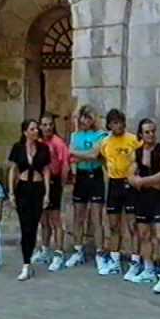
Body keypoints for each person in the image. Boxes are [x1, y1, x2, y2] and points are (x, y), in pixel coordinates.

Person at [128, 118, 160, 294]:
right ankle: (148, 269)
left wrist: (143, 181)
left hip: (159, 199)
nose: (151, 134)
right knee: (144, 234)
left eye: (153, 131)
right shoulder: (136, 152)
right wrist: (149, 182)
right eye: (147, 132)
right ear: (140, 134)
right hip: (142, 199)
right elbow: (130, 178)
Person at [99, 109, 143, 277]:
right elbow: (102, 158)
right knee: (113, 225)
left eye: (120, 122)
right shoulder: (105, 142)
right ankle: (115, 260)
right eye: (114, 123)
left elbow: (141, 159)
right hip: (114, 184)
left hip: (129, 184)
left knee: (133, 225)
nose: (118, 126)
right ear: (109, 125)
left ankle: (135, 261)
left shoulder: (133, 140)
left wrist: (135, 178)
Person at [66, 105, 109, 272]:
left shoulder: (101, 135)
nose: (85, 121)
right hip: (81, 177)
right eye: (83, 117)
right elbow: (71, 156)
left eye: (88, 117)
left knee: (96, 217)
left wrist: (77, 154)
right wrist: (78, 155)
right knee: (79, 216)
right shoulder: (75, 135)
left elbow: (94, 155)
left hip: (96, 175)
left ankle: (99, 253)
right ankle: (78, 250)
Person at [8, 119, 51, 281]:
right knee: (25, 226)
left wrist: (47, 193)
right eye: (32, 129)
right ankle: (26, 263)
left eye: (36, 129)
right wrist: (11, 192)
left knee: (33, 226)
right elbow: (13, 170)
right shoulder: (17, 148)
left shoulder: (43, 148)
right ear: (25, 132)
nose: (35, 131)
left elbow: (46, 171)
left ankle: (28, 260)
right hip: (23, 189)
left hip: (38, 188)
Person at [31, 112, 70, 271]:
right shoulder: (37, 142)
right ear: (40, 126)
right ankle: (45, 250)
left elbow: (65, 166)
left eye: (50, 124)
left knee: (55, 220)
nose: (47, 127)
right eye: (44, 124)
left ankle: (59, 253)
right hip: (39, 182)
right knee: (43, 220)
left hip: (54, 182)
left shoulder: (58, 143)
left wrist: (60, 184)